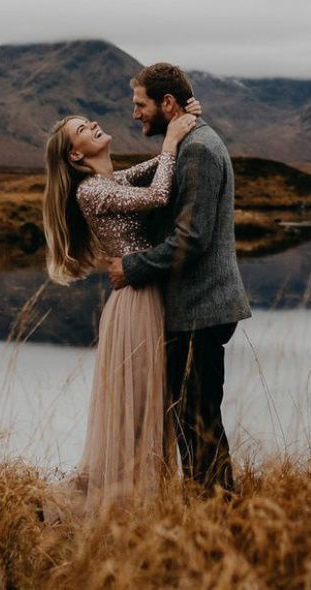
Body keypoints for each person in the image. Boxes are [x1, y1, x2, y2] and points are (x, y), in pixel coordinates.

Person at [42, 101, 199, 515]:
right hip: (135, 302)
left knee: (146, 401)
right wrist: (170, 139)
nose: (92, 124)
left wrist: (183, 116)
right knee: (138, 404)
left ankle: (136, 502)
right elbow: (160, 193)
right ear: (76, 154)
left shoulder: (111, 178)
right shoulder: (92, 190)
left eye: (88, 120)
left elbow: (151, 168)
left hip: (143, 294)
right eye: (81, 128)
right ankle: (122, 506)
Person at [108, 63, 252, 493]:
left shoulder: (199, 150)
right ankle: (211, 510)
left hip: (202, 311)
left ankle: (217, 513)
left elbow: (191, 238)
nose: (135, 113)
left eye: (141, 104)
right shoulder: (187, 144)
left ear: (167, 103)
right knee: (194, 419)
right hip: (194, 310)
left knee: (199, 421)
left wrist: (131, 269)